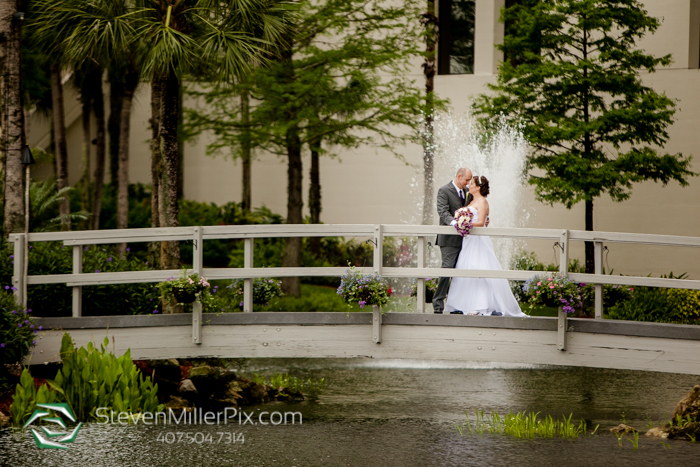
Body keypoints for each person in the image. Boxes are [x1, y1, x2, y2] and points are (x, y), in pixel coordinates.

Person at [444, 175, 527, 317]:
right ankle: (464, 305)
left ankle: (479, 306)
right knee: (466, 268)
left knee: (478, 268)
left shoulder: (482, 201)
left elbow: (481, 222)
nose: (468, 186)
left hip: (478, 240)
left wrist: (464, 224)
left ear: (477, 187)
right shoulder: (471, 200)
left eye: (471, 184)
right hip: (468, 240)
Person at [432, 167, 472, 314]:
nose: (468, 183)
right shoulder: (444, 190)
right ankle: (438, 304)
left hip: (465, 240)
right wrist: (454, 223)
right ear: (459, 176)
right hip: (448, 239)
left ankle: (456, 305)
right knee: (447, 268)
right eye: (467, 180)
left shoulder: (468, 192)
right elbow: (442, 211)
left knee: (460, 271)